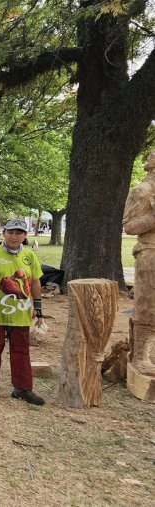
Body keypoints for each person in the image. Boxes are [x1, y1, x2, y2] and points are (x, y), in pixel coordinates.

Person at [0, 219, 45, 405]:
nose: (14, 236)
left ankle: (22, 388)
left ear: (24, 235)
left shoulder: (30, 256)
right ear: (4, 233)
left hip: (20, 314)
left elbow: (35, 281)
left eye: (19, 233)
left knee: (21, 351)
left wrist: (37, 306)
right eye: (11, 232)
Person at [123, 150, 155, 378]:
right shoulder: (142, 192)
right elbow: (130, 226)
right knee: (147, 305)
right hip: (150, 252)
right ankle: (140, 355)